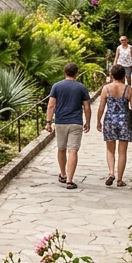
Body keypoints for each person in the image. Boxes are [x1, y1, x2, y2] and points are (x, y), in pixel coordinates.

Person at [46, 62, 92, 190]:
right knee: (73, 150)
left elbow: (51, 105)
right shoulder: (81, 87)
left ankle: (63, 174)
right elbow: (87, 107)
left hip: (60, 121)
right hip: (76, 122)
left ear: (64, 72)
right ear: (76, 73)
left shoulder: (56, 86)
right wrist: (88, 122)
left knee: (61, 148)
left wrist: (48, 122)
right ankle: (70, 180)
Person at [96, 64, 132, 187]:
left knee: (110, 149)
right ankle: (120, 179)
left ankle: (111, 173)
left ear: (111, 75)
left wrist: (98, 121)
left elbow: (101, 107)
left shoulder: (106, 88)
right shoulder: (128, 89)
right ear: (124, 76)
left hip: (110, 119)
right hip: (124, 120)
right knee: (122, 152)